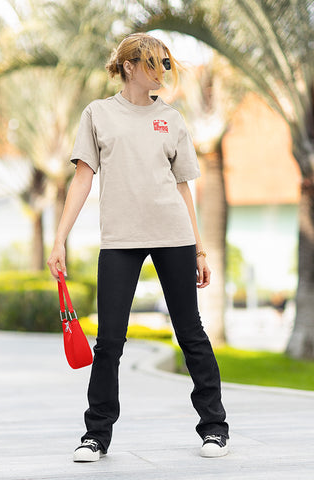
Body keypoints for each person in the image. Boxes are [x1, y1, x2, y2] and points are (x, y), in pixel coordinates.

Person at [47, 32, 229, 461]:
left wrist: (199, 250)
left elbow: (183, 189)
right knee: (109, 340)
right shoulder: (98, 114)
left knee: (191, 334)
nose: (162, 71)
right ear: (129, 65)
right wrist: (59, 240)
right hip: (121, 241)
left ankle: (215, 428)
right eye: (153, 62)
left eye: (166, 63)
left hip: (174, 236)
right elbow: (82, 178)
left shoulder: (174, 119)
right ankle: (96, 435)